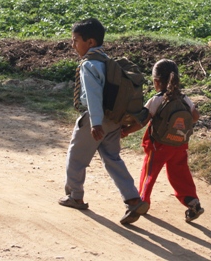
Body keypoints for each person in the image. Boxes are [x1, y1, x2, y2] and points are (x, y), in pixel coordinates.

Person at [58, 17, 149, 225]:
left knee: (76, 156)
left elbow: (93, 95)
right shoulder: (108, 62)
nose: (73, 45)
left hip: (95, 119)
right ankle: (133, 199)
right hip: (114, 119)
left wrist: (95, 123)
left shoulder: (89, 65)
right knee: (112, 158)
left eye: (75, 40)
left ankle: (75, 196)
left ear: (90, 42)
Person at [121, 59, 204, 223]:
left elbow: (142, 121)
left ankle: (142, 201)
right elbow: (195, 116)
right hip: (179, 145)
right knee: (180, 174)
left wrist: (125, 131)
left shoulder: (157, 99)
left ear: (156, 81)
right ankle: (193, 202)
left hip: (159, 146)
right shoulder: (185, 99)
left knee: (149, 173)